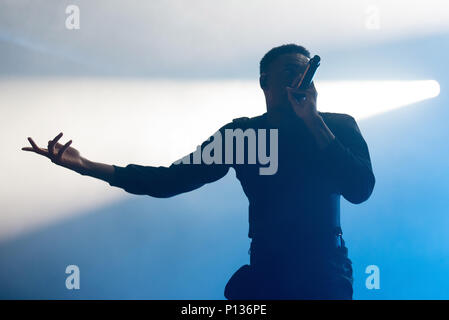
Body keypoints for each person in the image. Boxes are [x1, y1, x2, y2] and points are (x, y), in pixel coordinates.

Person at [22, 44, 375, 299]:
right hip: (268, 266)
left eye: (304, 73)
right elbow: (170, 180)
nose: (297, 80)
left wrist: (312, 120)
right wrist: (86, 167)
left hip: (323, 268)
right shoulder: (242, 134)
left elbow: (359, 188)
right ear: (264, 81)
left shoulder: (338, 126)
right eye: (289, 72)